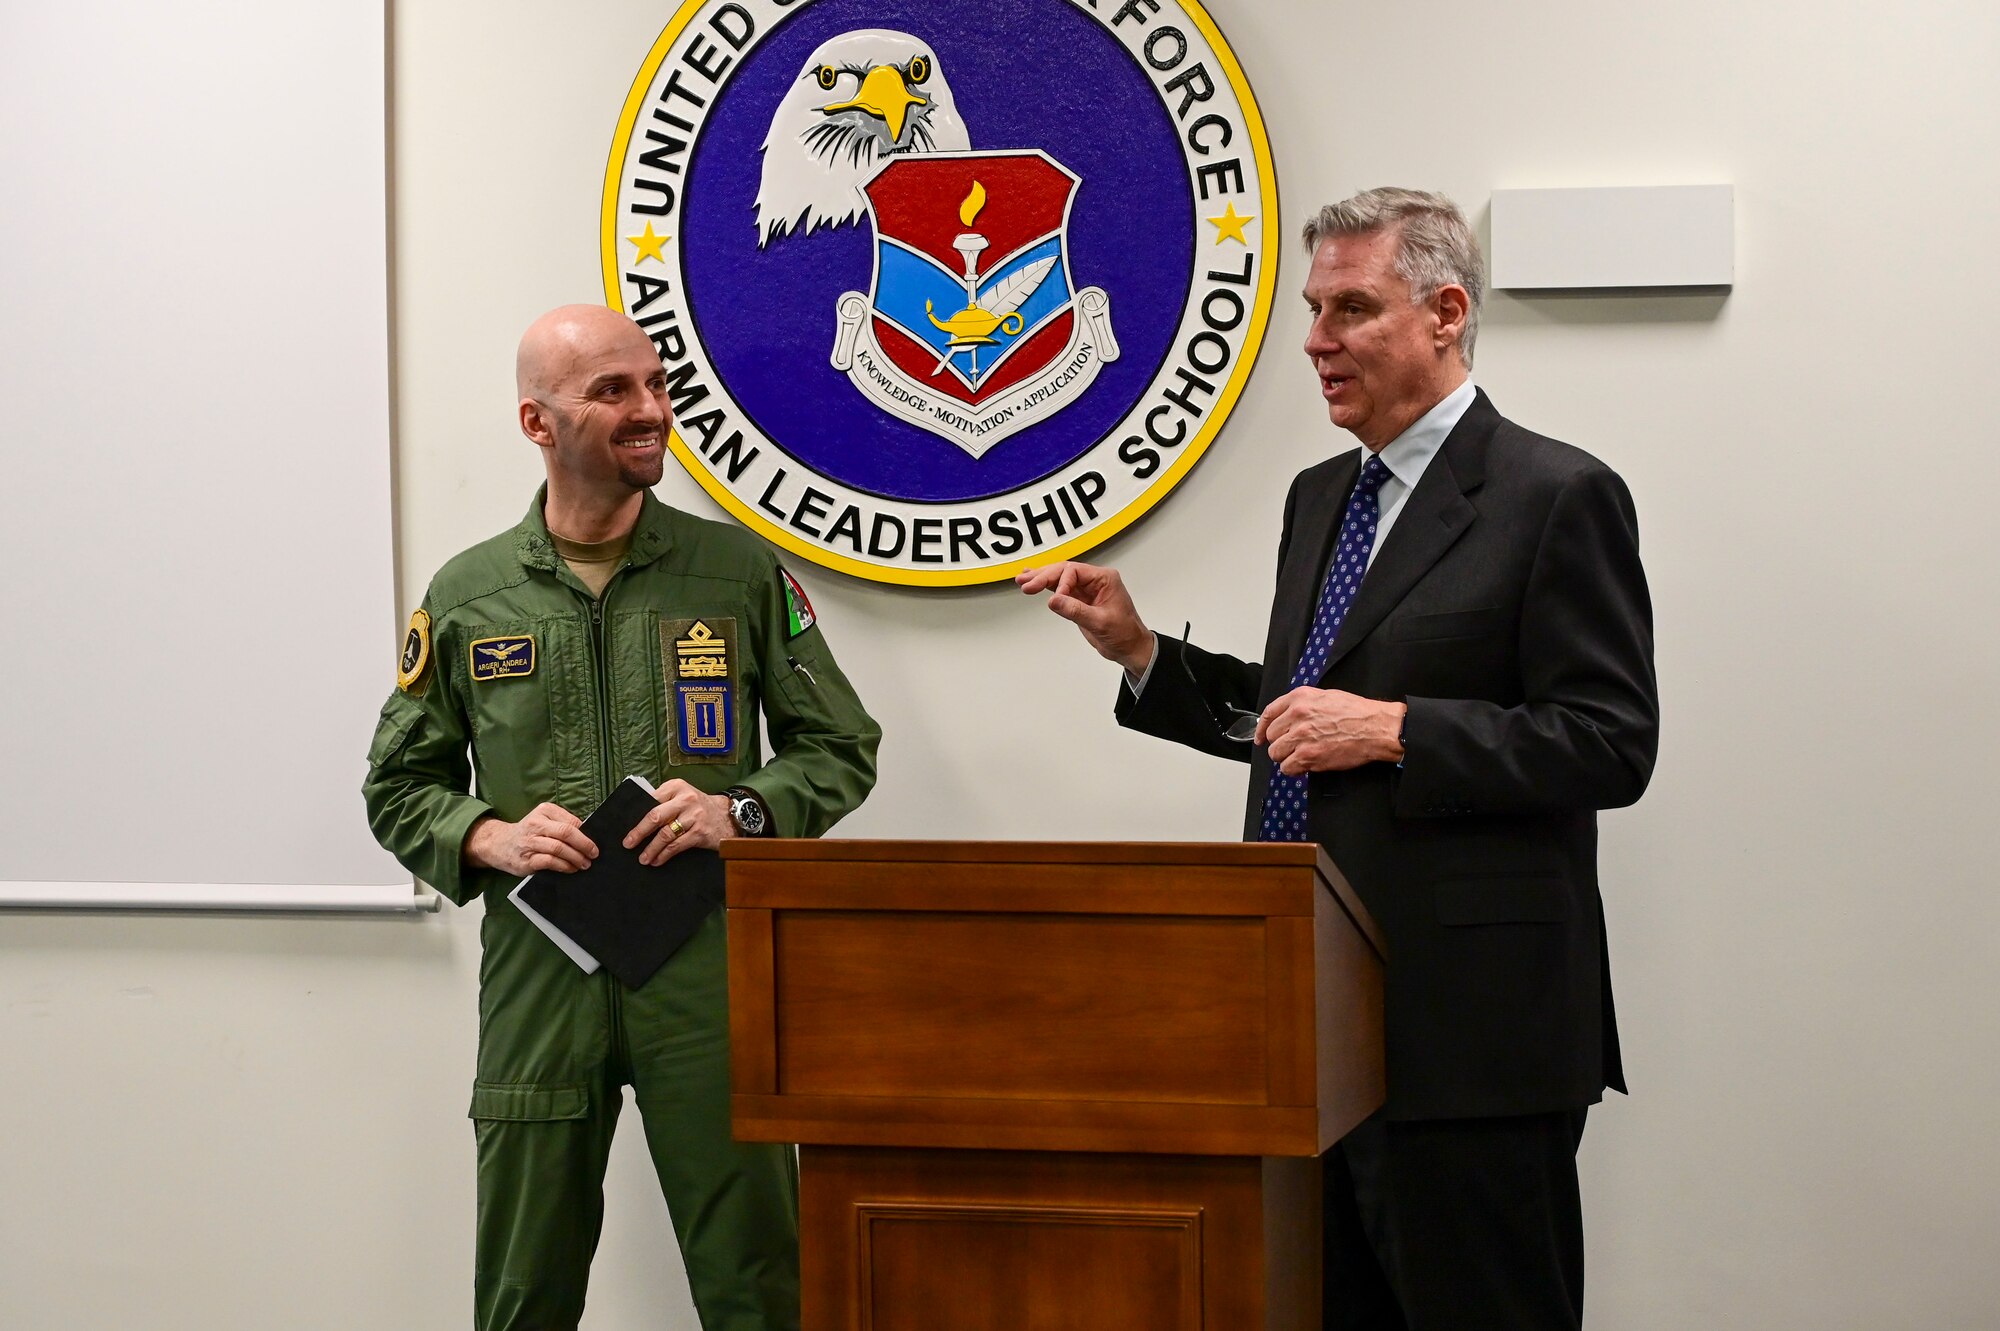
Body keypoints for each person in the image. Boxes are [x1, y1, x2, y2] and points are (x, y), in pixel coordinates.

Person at [1019, 188, 1658, 1329]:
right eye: (1312, 310)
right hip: (1304, 1026)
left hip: (1467, 1040)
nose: (1314, 341)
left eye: (1349, 308)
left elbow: (1609, 740)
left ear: (1445, 311)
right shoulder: (1321, 497)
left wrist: (1402, 726)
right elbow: (1301, 720)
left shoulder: (1555, 494)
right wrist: (1139, 649)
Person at [364, 304, 881, 1331]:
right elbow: (397, 783)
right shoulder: (470, 595)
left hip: (707, 973)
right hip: (539, 976)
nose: (651, 409)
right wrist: (489, 835)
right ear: (537, 422)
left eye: (654, 384)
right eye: (613, 391)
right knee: (523, 1285)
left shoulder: (731, 573)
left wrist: (742, 806)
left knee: (757, 1280)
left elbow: (840, 746)